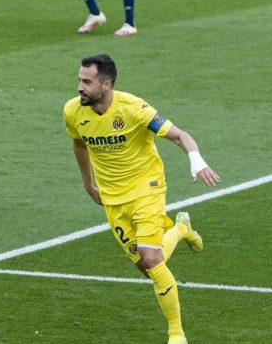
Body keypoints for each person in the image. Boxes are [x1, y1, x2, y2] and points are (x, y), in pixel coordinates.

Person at [63, 54, 221, 344]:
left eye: (87, 82)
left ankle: (176, 332)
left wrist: (196, 159)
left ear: (106, 84)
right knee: (148, 267)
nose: (79, 88)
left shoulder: (134, 109)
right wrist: (88, 185)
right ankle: (181, 228)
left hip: (146, 189)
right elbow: (78, 145)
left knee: (151, 258)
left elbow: (179, 135)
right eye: (79, 80)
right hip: (112, 198)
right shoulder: (73, 111)